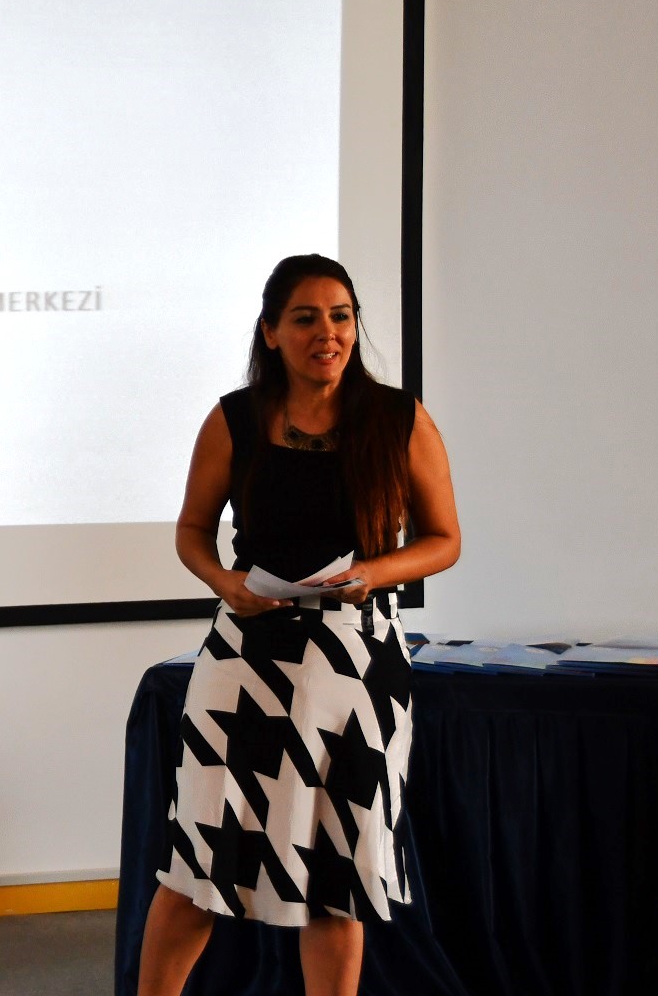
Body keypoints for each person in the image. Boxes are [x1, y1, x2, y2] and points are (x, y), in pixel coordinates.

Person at [136, 254, 460, 996]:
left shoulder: (399, 419)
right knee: (200, 866)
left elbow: (445, 540)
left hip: (355, 662)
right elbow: (192, 529)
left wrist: (373, 572)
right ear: (271, 332)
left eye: (341, 317)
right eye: (306, 318)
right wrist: (225, 582)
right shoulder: (234, 418)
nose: (328, 333)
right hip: (245, 658)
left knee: (338, 876)